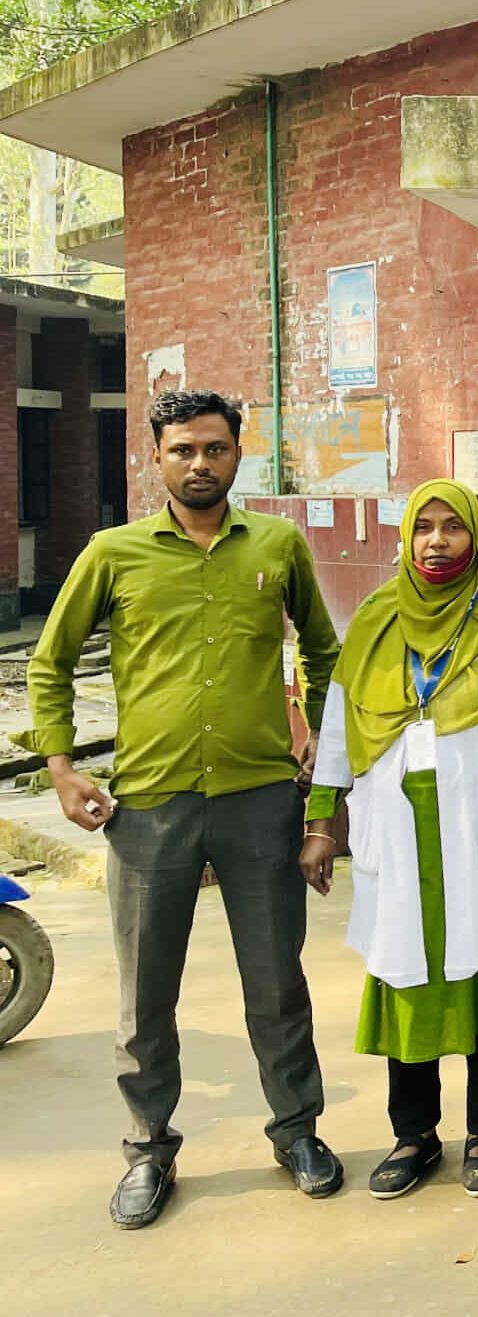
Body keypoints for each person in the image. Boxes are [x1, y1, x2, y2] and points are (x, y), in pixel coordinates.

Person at [16, 389, 342, 1229]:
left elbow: (322, 647)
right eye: (183, 450)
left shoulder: (275, 544)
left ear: (238, 454)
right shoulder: (113, 552)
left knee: (277, 982)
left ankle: (297, 1131)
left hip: (260, 801)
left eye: (215, 448)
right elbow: (50, 661)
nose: (200, 463)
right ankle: (148, 1147)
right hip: (149, 806)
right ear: (156, 457)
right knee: (146, 992)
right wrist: (61, 768)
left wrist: (320, 736)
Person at [299, 479, 478, 1200]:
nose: (437, 541)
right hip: (397, 829)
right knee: (404, 975)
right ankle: (413, 1134)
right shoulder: (374, 623)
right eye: (424, 527)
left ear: (477, 535)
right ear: (406, 537)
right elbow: (338, 729)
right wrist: (321, 824)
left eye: (453, 526)